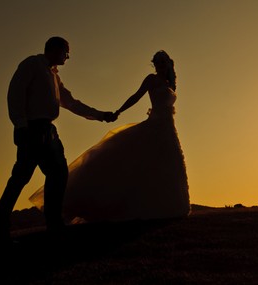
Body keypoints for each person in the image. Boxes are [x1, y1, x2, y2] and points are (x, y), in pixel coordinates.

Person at [29, 50, 190, 223]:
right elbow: (136, 96)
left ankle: (170, 205)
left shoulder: (170, 83)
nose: (159, 66)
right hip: (155, 124)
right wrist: (119, 111)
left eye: (162, 62)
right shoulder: (151, 79)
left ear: (169, 64)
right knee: (140, 162)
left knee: (168, 163)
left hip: (167, 126)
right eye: (157, 62)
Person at [0, 37, 116, 245]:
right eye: (65, 52)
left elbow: (71, 102)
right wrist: (21, 126)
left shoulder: (54, 76)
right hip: (31, 129)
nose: (68, 56)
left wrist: (101, 115)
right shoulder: (32, 64)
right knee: (21, 177)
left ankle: (54, 223)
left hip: (49, 130)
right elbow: (15, 93)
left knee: (58, 173)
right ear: (54, 49)